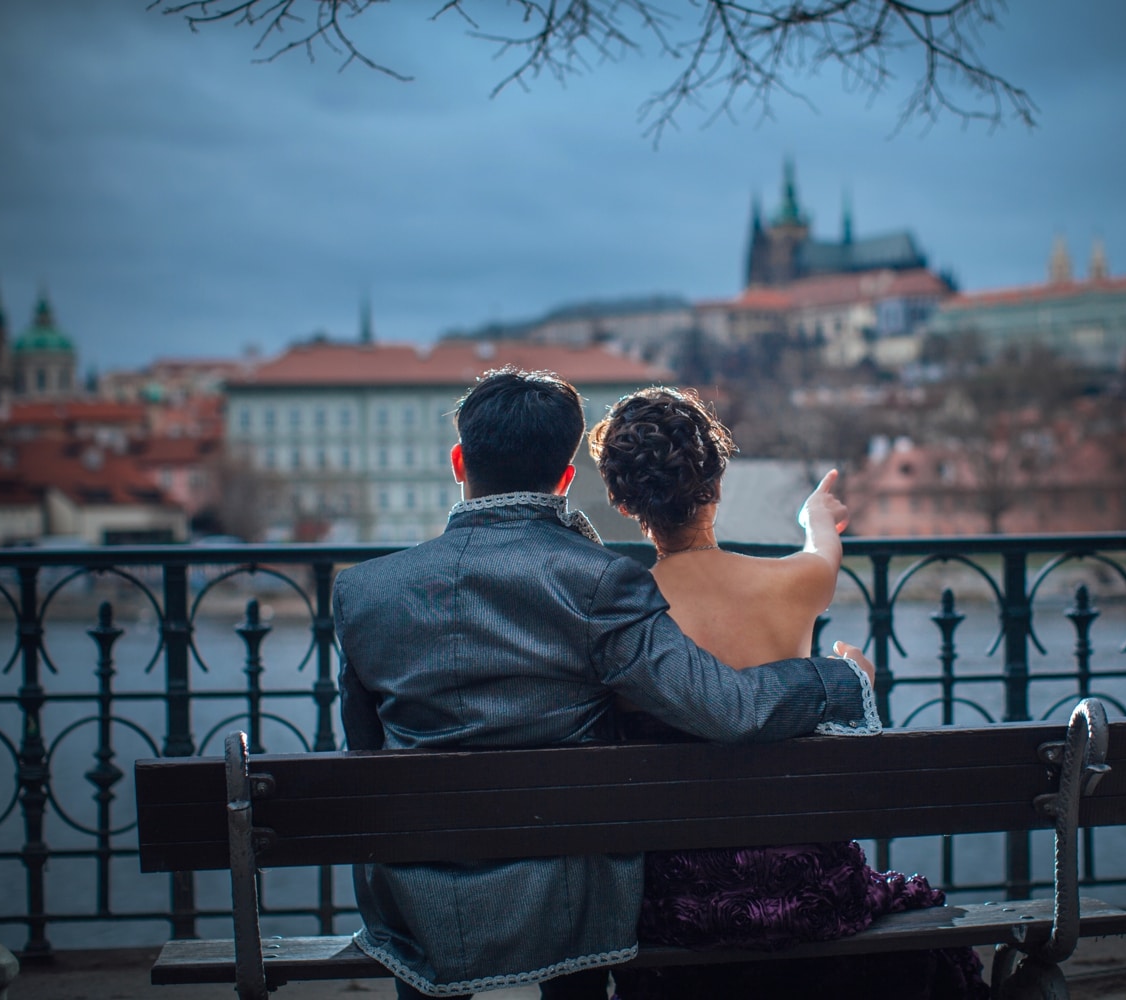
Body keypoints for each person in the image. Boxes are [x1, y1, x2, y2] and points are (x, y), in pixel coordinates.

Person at [335, 368, 883, 1000]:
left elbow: (364, 756)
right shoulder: (599, 582)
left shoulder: (363, 592)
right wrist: (842, 681)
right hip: (571, 905)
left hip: (417, 908)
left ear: (459, 460)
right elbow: (728, 709)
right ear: (567, 477)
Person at [588, 386, 991, 1000]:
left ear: (624, 502)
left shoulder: (628, 620)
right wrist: (816, 518)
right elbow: (822, 552)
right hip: (813, 887)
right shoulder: (797, 583)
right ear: (716, 485)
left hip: (681, 903)